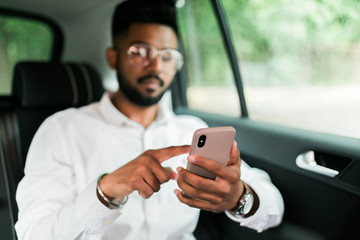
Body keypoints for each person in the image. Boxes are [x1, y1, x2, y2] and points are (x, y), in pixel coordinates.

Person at [15, 0, 284, 239]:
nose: (156, 66)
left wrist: (237, 197)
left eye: (167, 55)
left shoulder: (192, 131)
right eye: (140, 52)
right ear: (113, 57)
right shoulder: (62, 130)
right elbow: (32, 234)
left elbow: (274, 207)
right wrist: (105, 191)